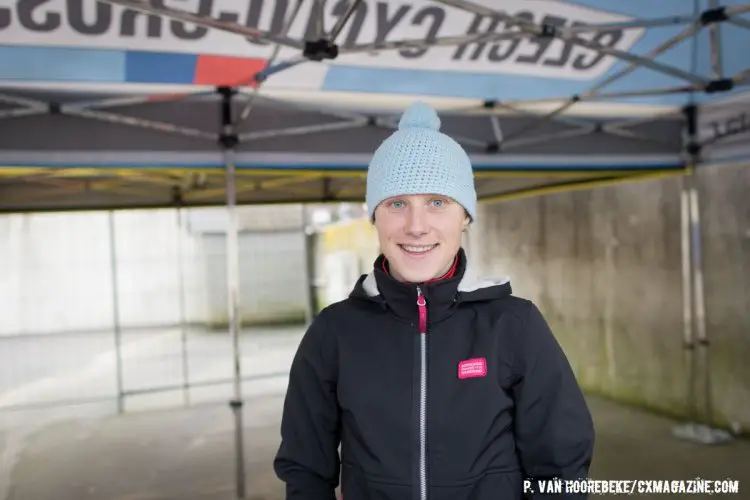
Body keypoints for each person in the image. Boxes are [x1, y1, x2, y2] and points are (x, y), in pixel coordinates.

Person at [273, 101, 595, 500]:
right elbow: (306, 472)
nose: (417, 226)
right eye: (397, 203)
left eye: (437, 202)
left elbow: (560, 468)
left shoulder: (514, 324)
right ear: (375, 216)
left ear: (465, 217)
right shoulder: (333, 332)